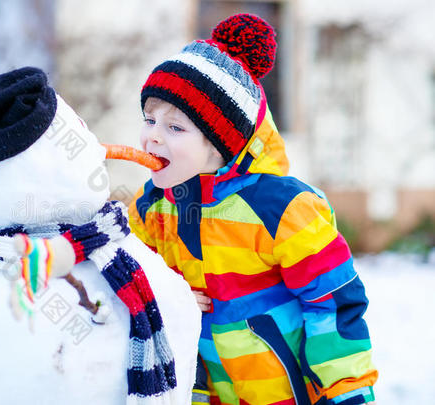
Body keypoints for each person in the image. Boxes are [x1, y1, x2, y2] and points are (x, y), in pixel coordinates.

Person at [128, 13, 377, 405]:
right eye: (149, 119)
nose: (152, 136)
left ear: (220, 144)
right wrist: (165, 299)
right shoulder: (151, 209)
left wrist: (346, 393)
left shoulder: (281, 208)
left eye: (175, 128)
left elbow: (332, 300)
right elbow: (128, 282)